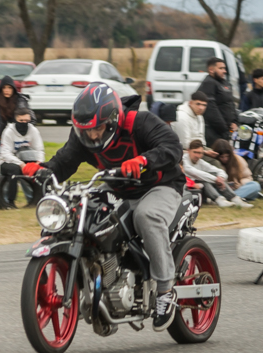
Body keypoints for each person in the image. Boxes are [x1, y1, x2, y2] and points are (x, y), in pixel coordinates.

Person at [22, 83, 185, 332]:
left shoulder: (140, 122)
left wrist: (143, 160)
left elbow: (172, 147)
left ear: (112, 121)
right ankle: (103, 289)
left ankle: (165, 290)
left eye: (97, 128)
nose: (92, 136)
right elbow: (65, 161)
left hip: (160, 185)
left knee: (146, 216)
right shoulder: (83, 136)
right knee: (80, 215)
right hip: (119, 187)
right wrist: (42, 170)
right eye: (86, 130)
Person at [0, 107, 44, 209]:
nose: (24, 123)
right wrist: (21, 164)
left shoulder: (33, 130)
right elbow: (5, 153)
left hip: (27, 160)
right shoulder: (8, 132)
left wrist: (38, 163)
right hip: (7, 162)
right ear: (16, 119)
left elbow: (40, 149)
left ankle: (38, 199)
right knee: (15, 170)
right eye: (21, 121)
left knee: (42, 170)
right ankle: (10, 202)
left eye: (26, 121)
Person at [0, 75, 30, 169]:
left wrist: (23, 131)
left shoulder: (21, 101)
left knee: (21, 168)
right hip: (1, 140)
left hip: (18, 140)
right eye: (4, 88)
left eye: (9, 88)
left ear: (13, 89)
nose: (7, 90)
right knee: (0, 168)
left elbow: (31, 120)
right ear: (1, 89)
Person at [182, 139, 247, 208]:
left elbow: (219, 171)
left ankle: (234, 198)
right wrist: (216, 179)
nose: (197, 155)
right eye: (195, 152)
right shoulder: (183, 160)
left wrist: (221, 178)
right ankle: (219, 199)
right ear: (188, 150)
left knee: (213, 176)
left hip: (199, 189)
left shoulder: (200, 162)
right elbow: (196, 173)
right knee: (203, 180)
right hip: (186, 188)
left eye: (200, 153)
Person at [196, 57, 237, 147]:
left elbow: (231, 103)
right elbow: (211, 109)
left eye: (224, 68)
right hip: (214, 132)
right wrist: (224, 128)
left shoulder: (225, 83)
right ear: (211, 70)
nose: (224, 71)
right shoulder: (209, 83)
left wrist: (235, 121)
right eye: (221, 68)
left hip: (227, 130)